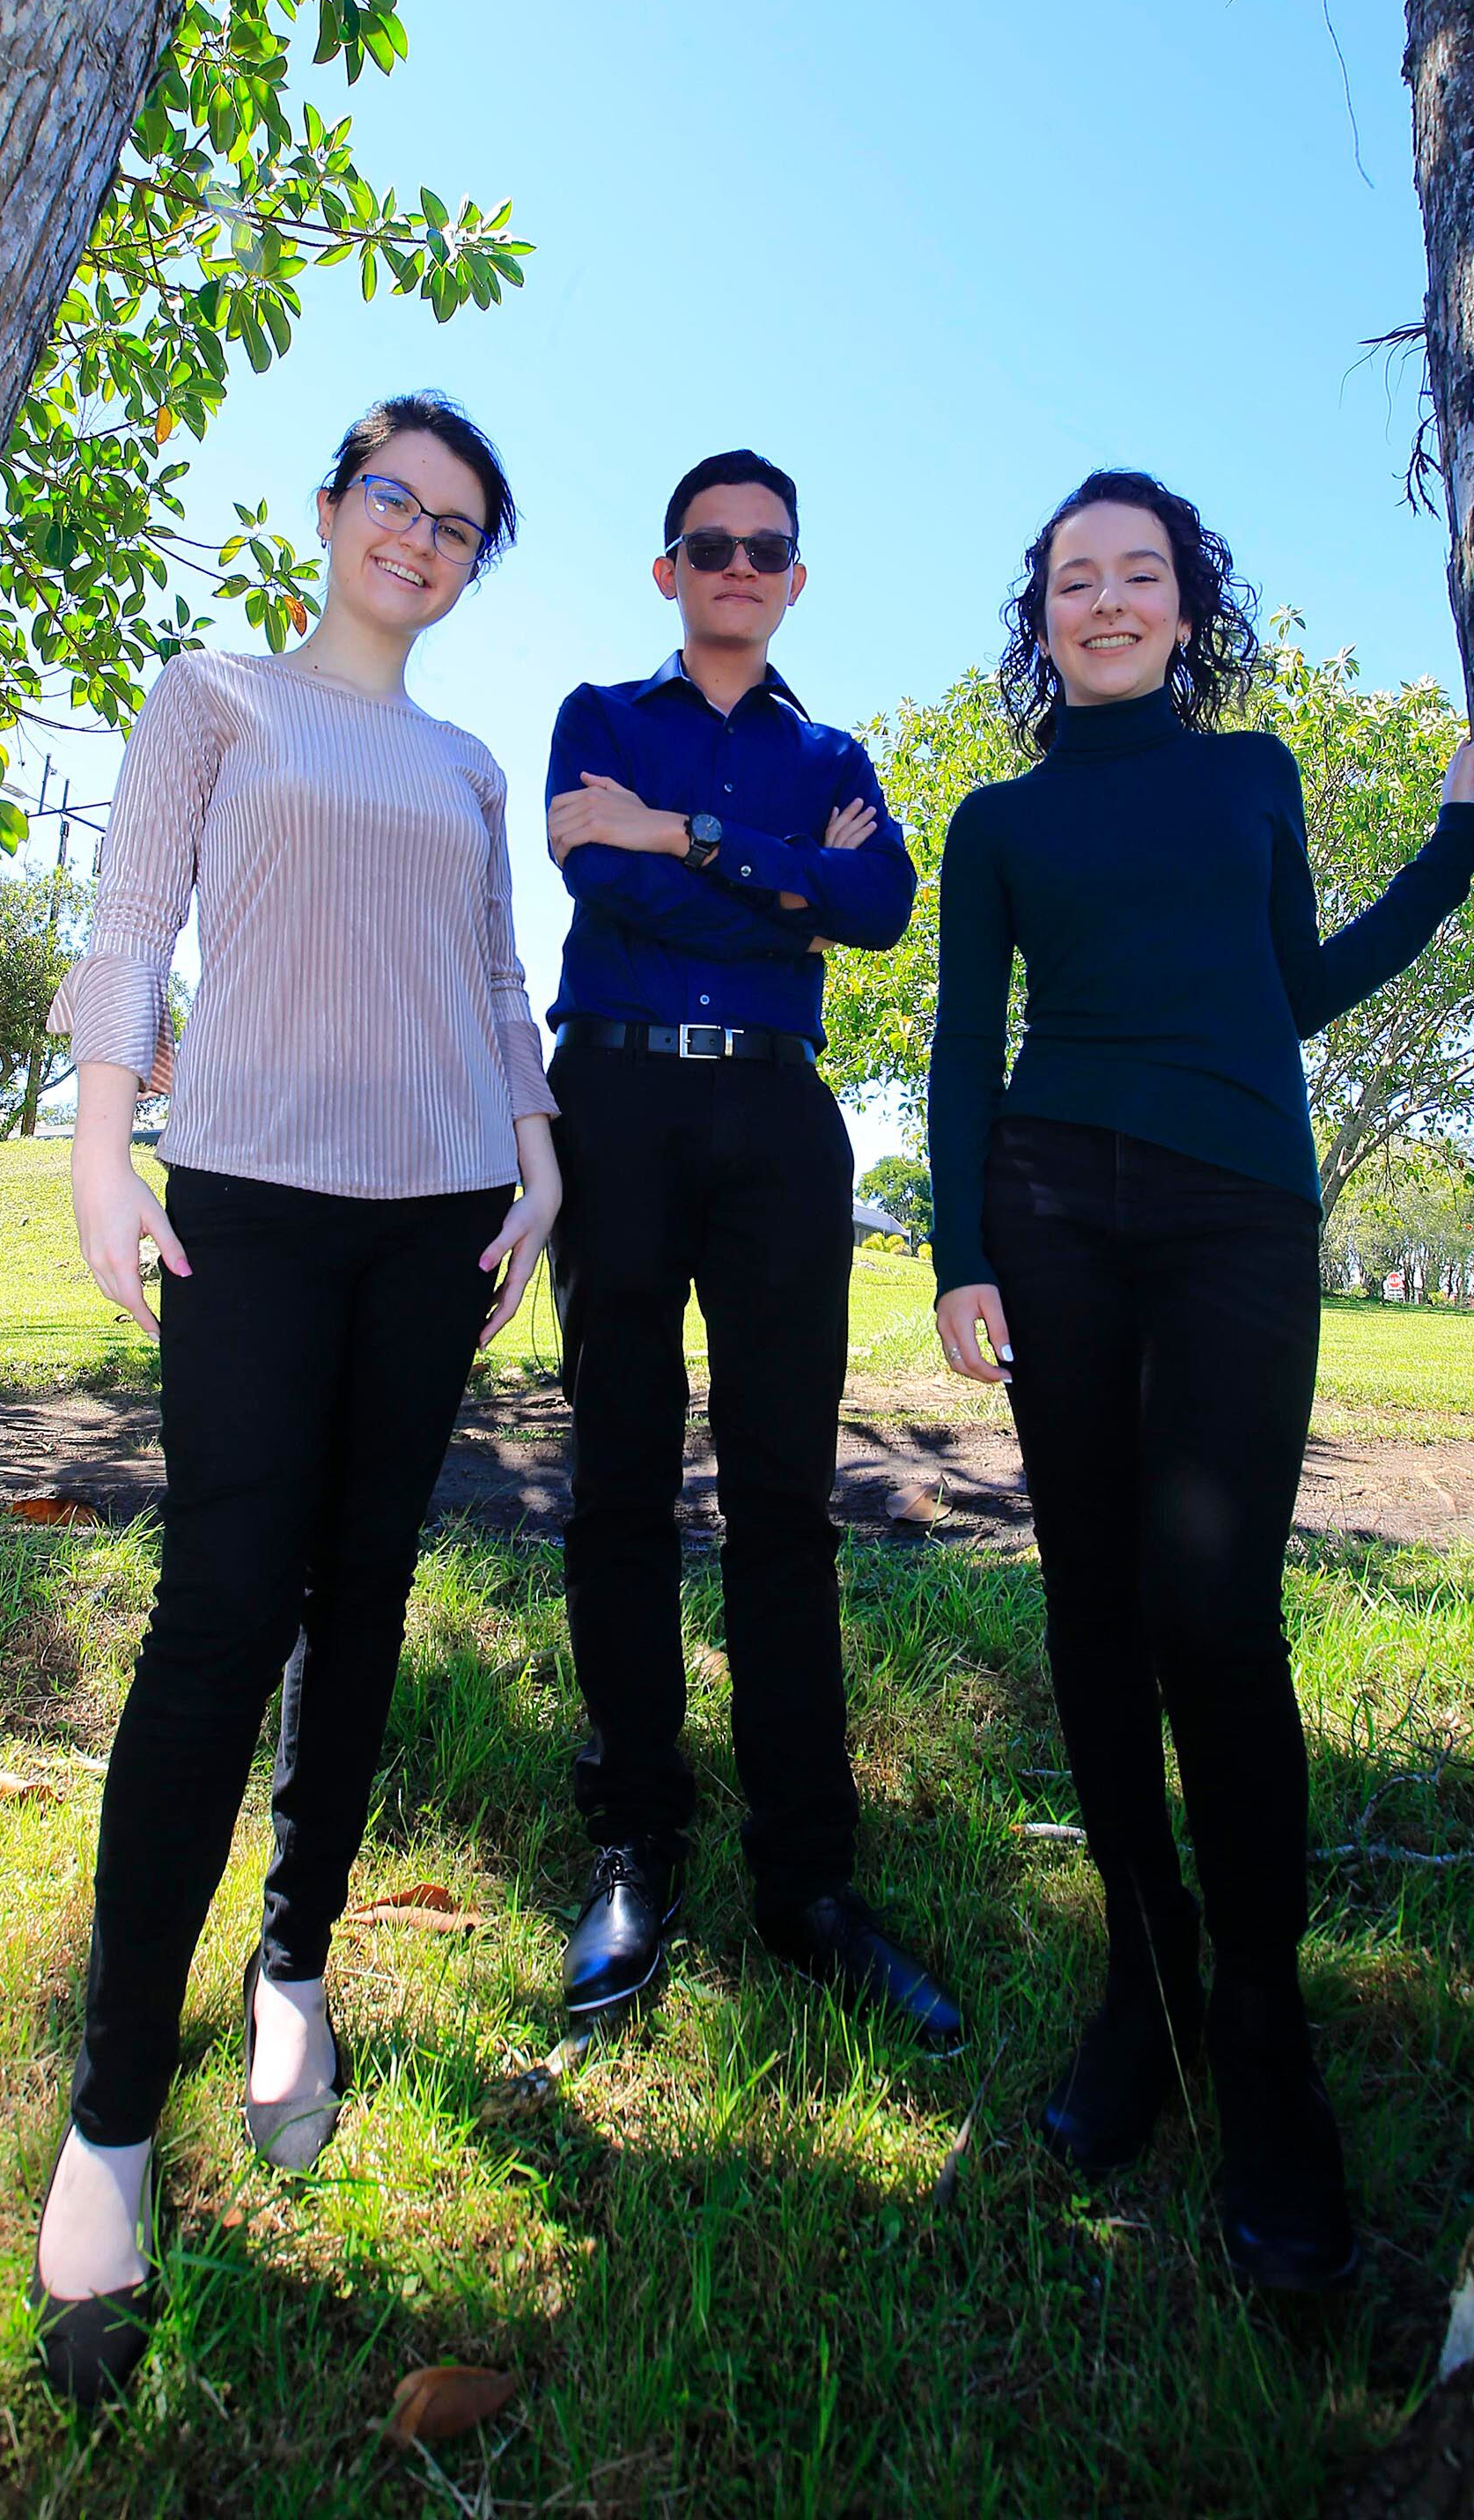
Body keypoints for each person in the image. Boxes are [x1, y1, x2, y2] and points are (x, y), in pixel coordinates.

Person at [30, 393, 560, 2402]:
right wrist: (102, 1150)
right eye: (394, 499)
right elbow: (127, 922)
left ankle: (298, 1966)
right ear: (333, 509)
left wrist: (538, 1158)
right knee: (219, 1616)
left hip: (439, 1216)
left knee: (366, 1595)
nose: (419, 535)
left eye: (459, 523)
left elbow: (497, 982)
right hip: (247, 1202)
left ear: (473, 565)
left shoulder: (468, 765)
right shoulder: (214, 698)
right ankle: (109, 2123)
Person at [928, 468, 1474, 2291]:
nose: (1105, 602)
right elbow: (961, 1045)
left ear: (1185, 604)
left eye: (1138, 574)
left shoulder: (1254, 773)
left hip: (1239, 1207)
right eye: (1073, 580)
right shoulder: (998, 820)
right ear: (1043, 617)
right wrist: (957, 1249)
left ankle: (1262, 2032)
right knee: (1091, 1604)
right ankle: (1143, 1979)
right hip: (1050, 1208)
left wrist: (1452, 853)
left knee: (1217, 1617)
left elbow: (1289, 990)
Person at [543, 446, 961, 2049]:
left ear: (793, 578)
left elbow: (880, 908)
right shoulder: (598, 717)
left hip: (781, 1124)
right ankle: (632, 1843)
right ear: (668, 571)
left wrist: (687, 837)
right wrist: (782, 882)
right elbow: (603, 882)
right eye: (708, 545)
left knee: (785, 1495)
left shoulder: (834, 751)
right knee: (621, 1473)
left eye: (764, 548)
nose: (736, 567)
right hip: (619, 1104)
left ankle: (807, 1883)